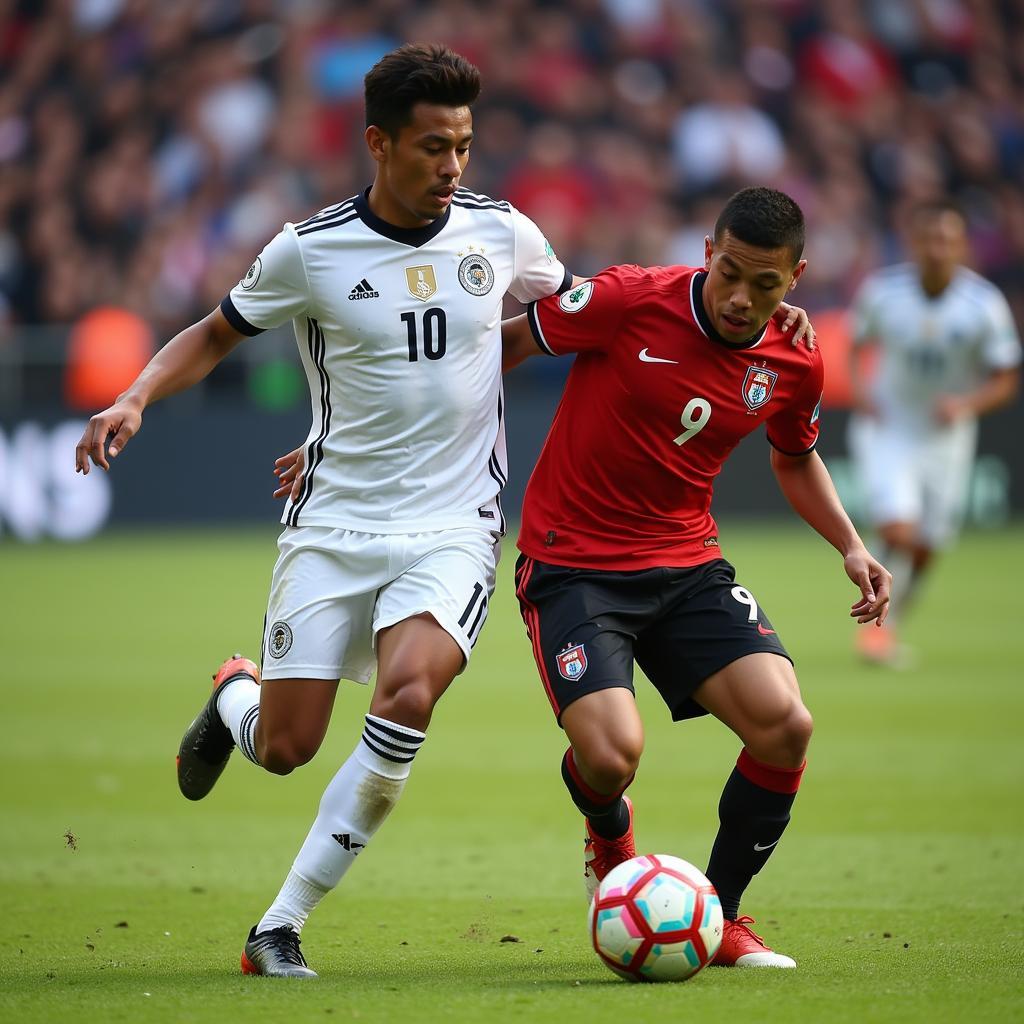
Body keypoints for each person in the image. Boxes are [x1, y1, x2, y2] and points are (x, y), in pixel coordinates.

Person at [73, 44, 579, 979]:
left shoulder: (502, 234)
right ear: (378, 145)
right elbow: (215, 332)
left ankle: (279, 926)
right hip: (333, 525)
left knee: (408, 696)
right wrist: (137, 395)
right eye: (433, 147)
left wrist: (721, 310)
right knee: (288, 747)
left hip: (453, 525)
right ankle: (235, 696)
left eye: (464, 146)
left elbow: (585, 309)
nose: (453, 166)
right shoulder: (309, 250)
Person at [499, 187, 891, 968]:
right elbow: (501, 347)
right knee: (611, 758)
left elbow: (795, 454)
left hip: (687, 566)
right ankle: (610, 836)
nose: (743, 298)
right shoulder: (627, 298)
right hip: (574, 565)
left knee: (787, 726)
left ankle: (721, 916)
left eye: (767, 284)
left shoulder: (795, 354)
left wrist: (849, 544)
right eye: (730, 274)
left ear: (797, 277)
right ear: (708, 254)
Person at [847, 199, 1021, 666]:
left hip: (946, 438)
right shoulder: (883, 292)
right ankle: (876, 627)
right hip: (889, 428)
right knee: (897, 529)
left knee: (927, 547)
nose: (938, 248)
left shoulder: (983, 304)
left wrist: (967, 403)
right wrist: (861, 392)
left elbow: (1006, 376)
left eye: (947, 239)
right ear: (913, 243)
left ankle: (892, 620)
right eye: (929, 238)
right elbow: (852, 345)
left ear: (962, 245)